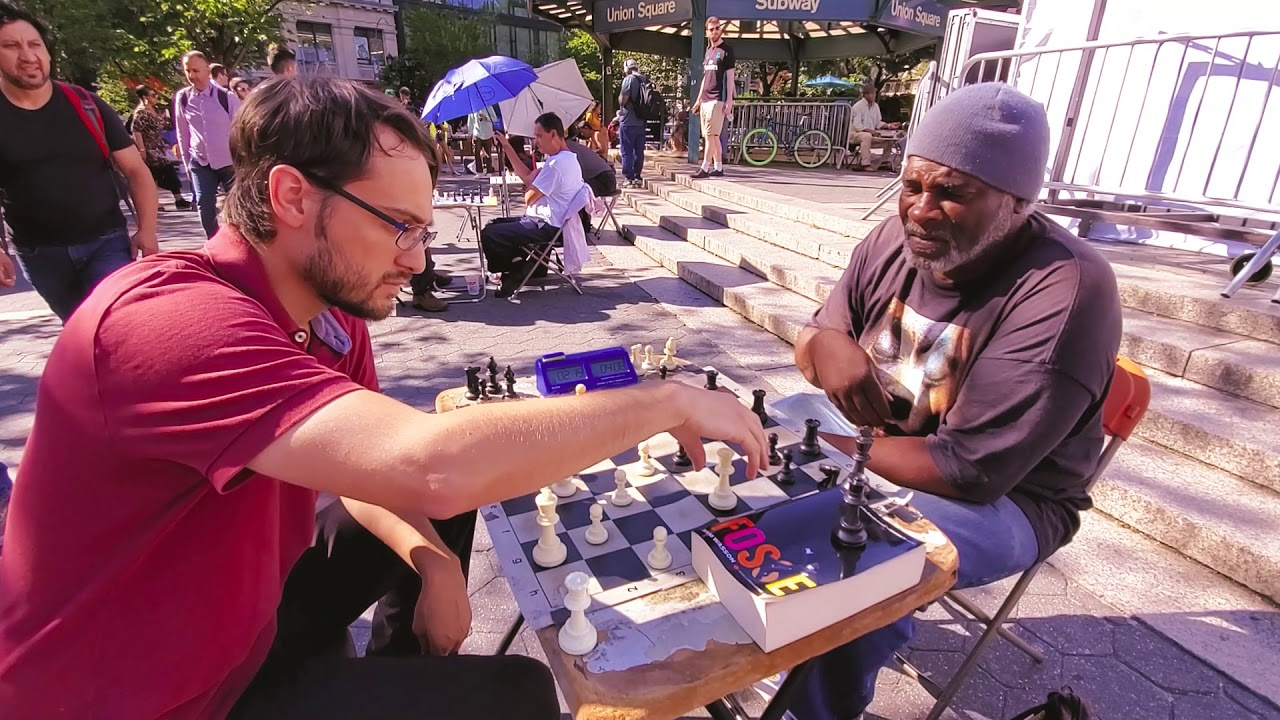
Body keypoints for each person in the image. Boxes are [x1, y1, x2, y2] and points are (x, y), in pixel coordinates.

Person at [0, 74, 770, 720]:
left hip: (240, 626)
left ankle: (402, 661)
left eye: (423, 230)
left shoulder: (330, 315)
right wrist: (664, 401)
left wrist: (432, 561)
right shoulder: (169, 322)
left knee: (439, 498)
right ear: (293, 196)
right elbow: (427, 466)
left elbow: (369, 471)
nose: (417, 258)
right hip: (143, 701)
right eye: (400, 226)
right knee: (519, 696)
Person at [784, 83, 1122, 719]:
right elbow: (813, 344)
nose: (920, 209)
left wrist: (833, 452)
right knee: (736, 447)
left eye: (953, 193)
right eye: (913, 185)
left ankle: (817, 705)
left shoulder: (1064, 289)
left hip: (1007, 499)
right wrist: (828, 344)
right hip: (875, 443)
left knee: (861, 571)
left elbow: (967, 471)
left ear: (1018, 202)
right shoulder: (890, 240)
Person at [0, 2, 158, 321]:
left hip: (107, 243)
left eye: (35, 44)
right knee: (78, 330)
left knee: (115, 324)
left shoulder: (86, 104)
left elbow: (136, 170)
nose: (28, 55)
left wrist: (148, 229)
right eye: (11, 46)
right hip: (40, 255)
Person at [483, 112, 583, 298]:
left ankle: (514, 271)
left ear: (553, 134)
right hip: (548, 220)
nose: (536, 141)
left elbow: (529, 198)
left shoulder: (556, 165)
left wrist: (530, 190)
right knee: (495, 225)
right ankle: (522, 266)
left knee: (491, 233)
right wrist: (506, 146)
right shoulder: (567, 159)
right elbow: (528, 178)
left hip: (547, 225)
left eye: (539, 136)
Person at [174, 50, 241, 238]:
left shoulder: (226, 97)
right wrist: (187, 162)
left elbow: (240, 131)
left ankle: (239, 240)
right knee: (204, 202)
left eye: (196, 70)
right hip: (200, 161)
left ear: (206, 69)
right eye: (188, 71)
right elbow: (182, 132)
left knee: (237, 204)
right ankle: (213, 242)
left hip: (228, 161)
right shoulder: (183, 98)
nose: (192, 75)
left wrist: (242, 161)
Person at [133, 86, 193, 211]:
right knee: (159, 173)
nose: (155, 98)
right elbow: (136, 131)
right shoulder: (141, 113)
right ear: (145, 97)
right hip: (150, 149)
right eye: (152, 95)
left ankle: (175, 199)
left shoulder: (153, 111)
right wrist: (142, 150)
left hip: (158, 147)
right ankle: (167, 200)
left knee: (160, 173)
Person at [691, 15, 734, 179]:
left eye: (717, 28)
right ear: (706, 32)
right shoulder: (708, 52)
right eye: (711, 29)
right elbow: (705, 78)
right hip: (706, 99)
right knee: (712, 135)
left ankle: (704, 167)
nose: (715, 31)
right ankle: (718, 167)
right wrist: (698, 99)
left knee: (710, 135)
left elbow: (730, 77)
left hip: (717, 98)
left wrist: (729, 100)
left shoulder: (727, 51)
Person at [566, 125, 616, 233]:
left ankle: (580, 226)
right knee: (573, 189)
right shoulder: (571, 146)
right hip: (605, 177)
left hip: (605, 180)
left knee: (574, 191)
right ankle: (581, 225)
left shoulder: (568, 149)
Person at [846, 85, 900, 171]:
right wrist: (871, 131)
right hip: (855, 135)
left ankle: (883, 162)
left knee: (889, 139)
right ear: (865, 95)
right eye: (871, 94)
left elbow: (878, 123)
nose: (874, 96)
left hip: (872, 135)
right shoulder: (858, 106)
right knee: (866, 136)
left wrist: (889, 125)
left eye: (874, 94)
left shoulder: (876, 106)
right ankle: (865, 164)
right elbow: (858, 125)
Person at [618, 58, 647, 188]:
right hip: (641, 121)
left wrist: (620, 98)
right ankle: (637, 177)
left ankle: (628, 178)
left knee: (627, 151)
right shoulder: (645, 79)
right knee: (639, 151)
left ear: (627, 68)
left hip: (628, 121)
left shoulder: (628, 80)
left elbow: (623, 100)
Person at [467, 104, 496, 174]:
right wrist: (469, 134)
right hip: (477, 133)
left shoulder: (489, 107)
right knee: (477, 152)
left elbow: (494, 118)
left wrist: (486, 118)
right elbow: (470, 122)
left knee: (488, 153)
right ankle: (479, 171)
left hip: (487, 133)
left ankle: (489, 171)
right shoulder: (472, 108)